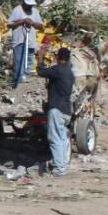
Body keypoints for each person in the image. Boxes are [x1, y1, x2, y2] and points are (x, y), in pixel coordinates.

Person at [37, 45, 75, 176]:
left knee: (55, 139)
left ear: (59, 58)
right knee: (63, 139)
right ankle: (62, 165)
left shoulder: (58, 70)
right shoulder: (70, 72)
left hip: (57, 109)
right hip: (66, 110)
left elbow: (41, 71)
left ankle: (59, 169)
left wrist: (40, 56)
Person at [7, 0, 43, 89]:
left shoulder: (35, 11)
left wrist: (32, 23)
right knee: (19, 64)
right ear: (23, 2)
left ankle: (25, 85)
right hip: (19, 41)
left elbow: (40, 26)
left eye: (31, 4)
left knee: (29, 63)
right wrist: (22, 21)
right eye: (28, 4)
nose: (29, 6)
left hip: (30, 41)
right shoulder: (17, 10)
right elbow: (9, 24)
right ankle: (17, 85)